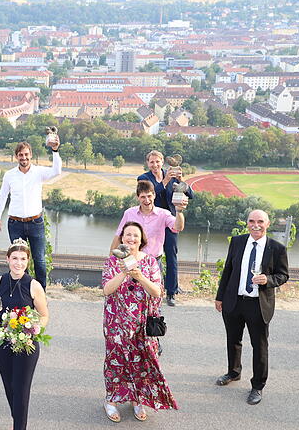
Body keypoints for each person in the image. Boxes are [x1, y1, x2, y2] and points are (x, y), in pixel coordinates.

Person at [102, 221, 178, 422]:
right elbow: (107, 290)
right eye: (127, 235)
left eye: (135, 235)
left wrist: (139, 276)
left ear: (141, 239)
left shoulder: (150, 262)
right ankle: (112, 401)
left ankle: (137, 400)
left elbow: (157, 291)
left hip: (143, 323)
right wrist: (124, 272)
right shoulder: (112, 262)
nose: (131, 239)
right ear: (122, 239)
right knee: (116, 362)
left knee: (141, 363)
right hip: (116, 322)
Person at [214, 209, 289, 406]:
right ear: (247, 222)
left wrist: (268, 279)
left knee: (260, 346)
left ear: (268, 223)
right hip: (234, 301)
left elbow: (283, 275)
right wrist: (219, 297)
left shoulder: (277, 248)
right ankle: (233, 372)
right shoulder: (237, 242)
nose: (255, 225)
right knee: (233, 340)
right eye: (251, 221)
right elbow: (228, 270)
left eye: (260, 221)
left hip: (258, 304)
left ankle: (257, 386)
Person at [0, 238, 49, 430]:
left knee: (21, 389)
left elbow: (44, 315)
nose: (18, 263)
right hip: (1, 339)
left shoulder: (34, 285)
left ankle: (19, 426)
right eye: (14, 258)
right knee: (9, 384)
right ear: (7, 259)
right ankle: (18, 418)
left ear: (27, 261)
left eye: (22, 259)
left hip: (26, 342)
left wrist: (35, 330)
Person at [0, 136, 62, 290]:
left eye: (26, 154)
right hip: (15, 223)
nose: (23, 158)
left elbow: (57, 171)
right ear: (16, 156)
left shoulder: (39, 172)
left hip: (35, 223)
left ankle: (40, 292)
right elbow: (2, 196)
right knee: (18, 260)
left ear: (31, 155)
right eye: (20, 155)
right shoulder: (9, 175)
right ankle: (20, 291)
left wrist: (55, 150)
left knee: (39, 260)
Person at [110, 180, 186, 306]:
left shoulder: (164, 214)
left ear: (154, 195)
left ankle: (153, 324)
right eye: (143, 197)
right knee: (130, 299)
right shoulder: (129, 213)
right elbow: (119, 235)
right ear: (138, 197)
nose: (147, 200)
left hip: (154, 262)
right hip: (131, 260)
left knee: (154, 299)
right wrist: (111, 259)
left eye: (149, 196)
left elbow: (178, 227)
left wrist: (179, 211)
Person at [136, 150, 194, 306]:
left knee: (171, 255)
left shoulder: (172, 175)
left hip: (169, 221)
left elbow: (191, 195)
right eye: (151, 162)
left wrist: (181, 181)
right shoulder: (143, 178)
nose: (155, 165)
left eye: (157, 161)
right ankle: (147, 287)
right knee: (147, 255)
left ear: (163, 162)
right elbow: (151, 193)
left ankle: (171, 292)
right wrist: (166, 181)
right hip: (151, 222)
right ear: (147, 163)